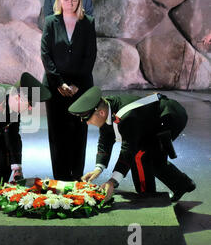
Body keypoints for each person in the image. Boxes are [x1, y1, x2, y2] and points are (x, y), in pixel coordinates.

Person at [68, 86, 196, 203]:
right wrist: (98, 168)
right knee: (151, 158)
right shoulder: (106, 108)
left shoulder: (126, 117)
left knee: (142, 156)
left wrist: (112, 182)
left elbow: (127, 151)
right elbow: (105, 139)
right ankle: (182, 185)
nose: (86, 123)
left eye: (86, 118)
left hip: (169, 117)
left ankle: (147, 195)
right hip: (148, 121)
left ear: (100, 113)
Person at [41, 0, 97, 181]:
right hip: (55, 87)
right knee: (57, 132)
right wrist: (59, 83)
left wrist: (76, 84)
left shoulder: (87, 22)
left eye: (74, 0)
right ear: (59, 0)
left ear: (79, 1)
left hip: (81, 87)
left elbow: (90, 55)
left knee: (78, 131)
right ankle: (60, 177)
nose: (70, 3)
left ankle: (77, 176)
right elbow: (46, 54)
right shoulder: (50, 22)